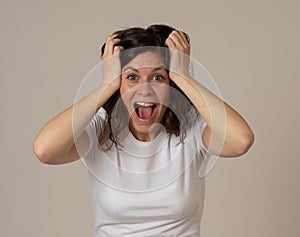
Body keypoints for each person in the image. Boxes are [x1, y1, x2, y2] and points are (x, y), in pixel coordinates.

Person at [33, 24, 254, 236]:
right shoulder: (101, 126)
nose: (145, 89)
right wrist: (105, 86)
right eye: (132, 77)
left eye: (158, 77)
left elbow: (241, 140)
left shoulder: (192, 127)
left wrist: (182, 75)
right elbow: (45, 150)